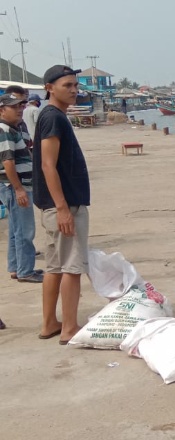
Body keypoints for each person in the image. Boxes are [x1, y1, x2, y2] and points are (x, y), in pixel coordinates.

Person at [32, 65, 90, 344]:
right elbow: (47, 164)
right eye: (67, 85)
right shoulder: (53, 117)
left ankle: (49, 324)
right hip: (64, 206)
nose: (74, 90)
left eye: (76, 85)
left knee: (54, 267)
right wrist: (64, 208)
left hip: (53, 206)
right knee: (71, 266)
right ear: (49, 88)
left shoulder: (52, 116)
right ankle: (69, 327)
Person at [0, 93, 43, 283]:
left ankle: (16, 268)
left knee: (16, 229)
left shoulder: (13, 128)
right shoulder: (5, 130)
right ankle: (26, 270)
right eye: (14, 107)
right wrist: (19, 189)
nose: (20, 109)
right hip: (15, 186)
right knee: (25, 230)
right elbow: (8, 161)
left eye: (21, 105)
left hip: (14, 186)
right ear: (2, 110)